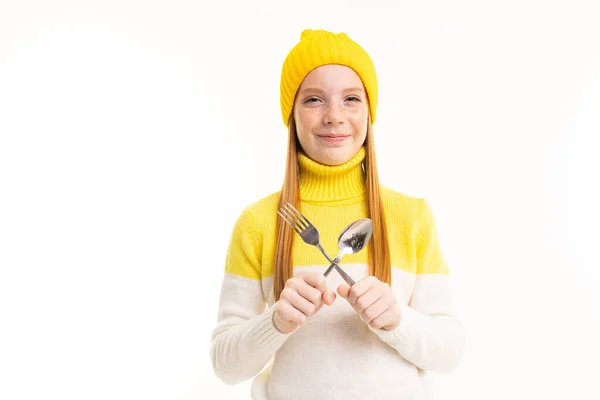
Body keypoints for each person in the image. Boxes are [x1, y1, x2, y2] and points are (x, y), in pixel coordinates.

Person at [210, 28, 464, 399]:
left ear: (369, 111)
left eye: (351, 99)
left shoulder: (412, 216)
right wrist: (276, 321)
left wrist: (397, 320)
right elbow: (225, 366)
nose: (334, 116)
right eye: (314, 100)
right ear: (291, 114)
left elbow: (449, 352)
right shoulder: (259, 222)